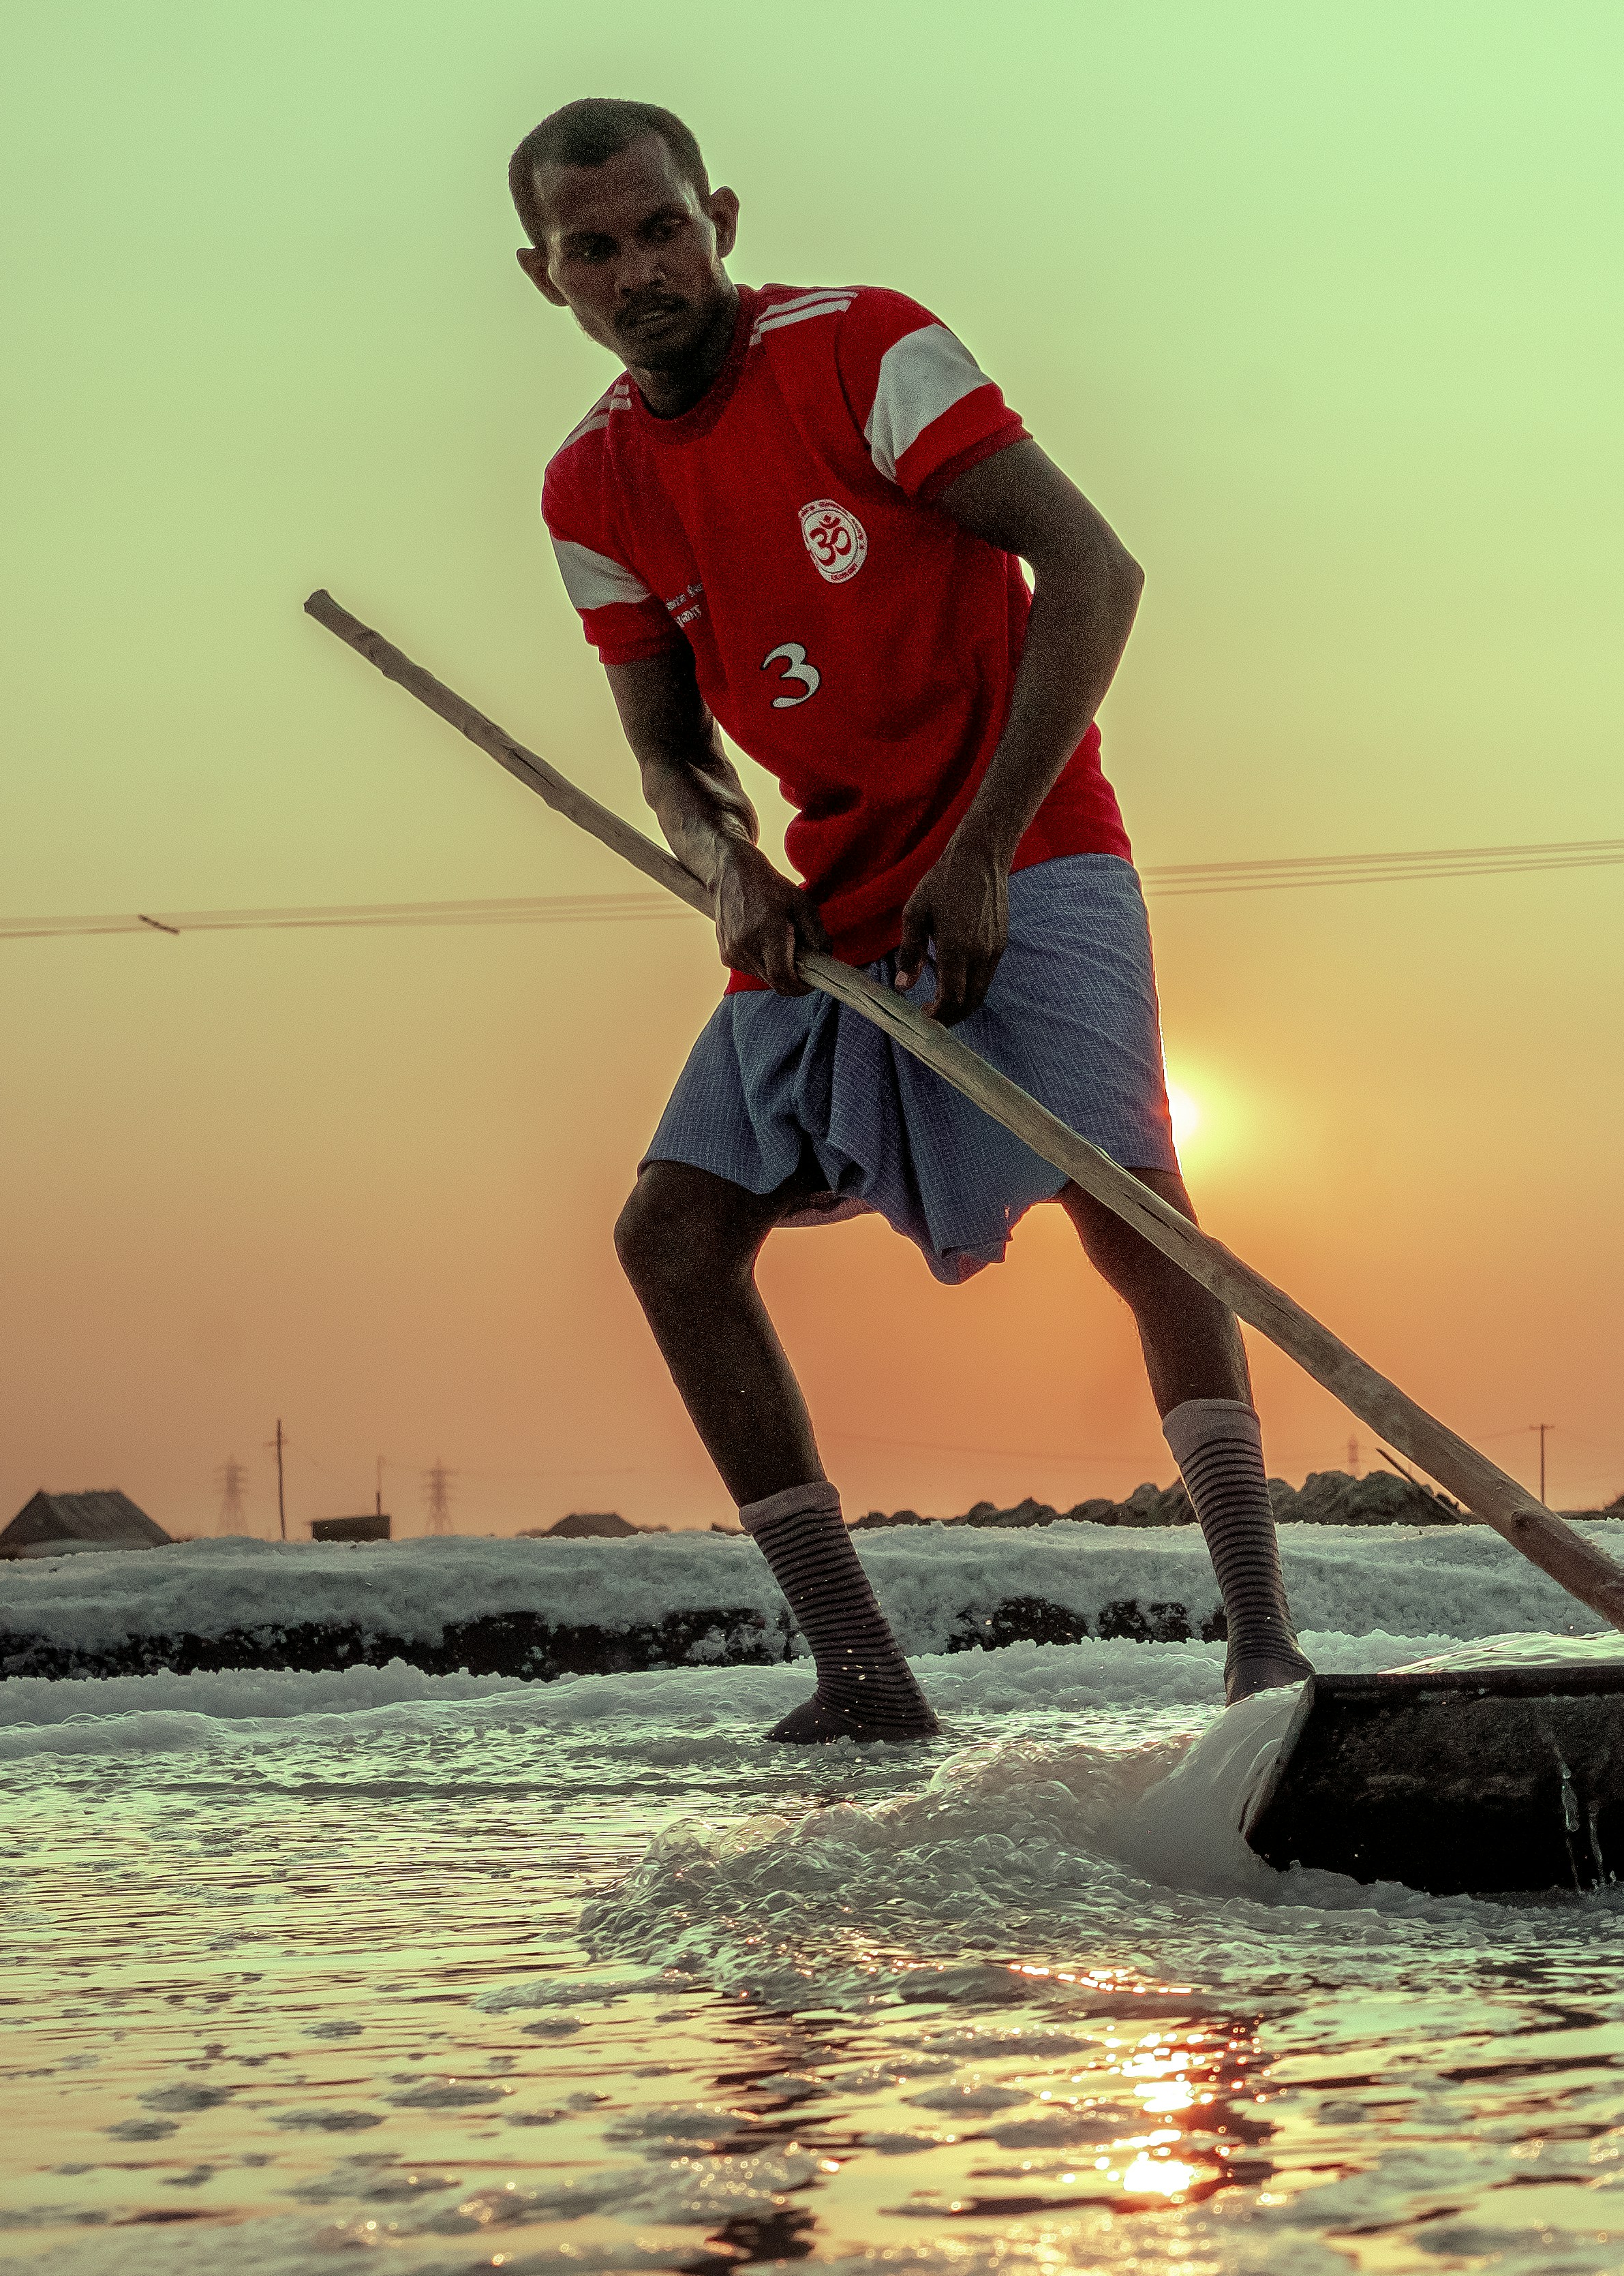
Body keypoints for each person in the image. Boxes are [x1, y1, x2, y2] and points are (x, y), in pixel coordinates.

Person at [510, 94, 1304, 1739]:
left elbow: (1094, 573)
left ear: (718, 216)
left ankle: (1261, 1646)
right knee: (672, 1239)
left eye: (661, 226)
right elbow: (669, 752)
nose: (638, 266)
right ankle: (864, 1675)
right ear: (546, 278)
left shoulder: (863, 349)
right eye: (596, 248)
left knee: (1135, 1210)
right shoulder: (590, 487)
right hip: (836, 894)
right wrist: (733, 873)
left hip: (1029, 840)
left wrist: (991, 846)